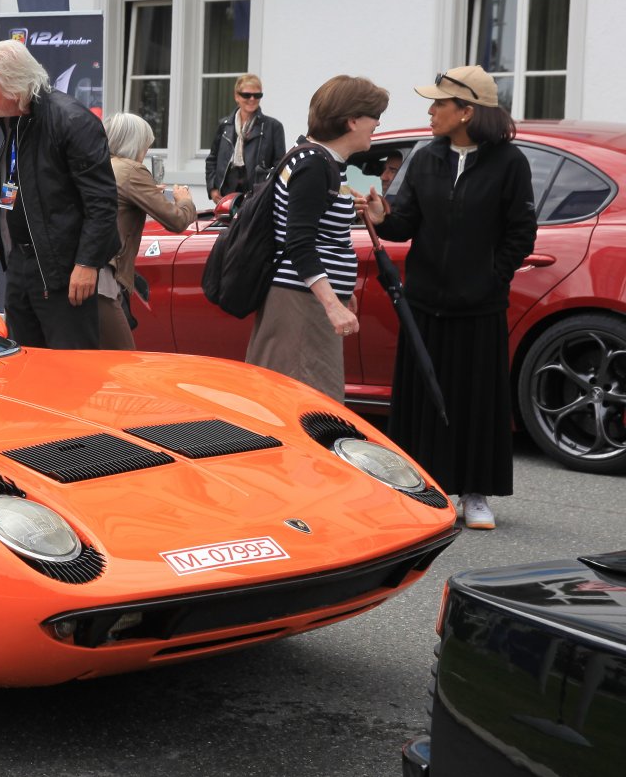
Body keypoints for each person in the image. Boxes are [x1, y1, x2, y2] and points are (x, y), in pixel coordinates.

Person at [369, 66, 537, 530]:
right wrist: (383, 216)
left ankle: (475, 494)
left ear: (466, 112)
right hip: (424, 304)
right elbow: (406, 224)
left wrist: (492, 279)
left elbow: (521, 232)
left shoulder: (509, 162)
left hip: (480, 306)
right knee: (422, 400)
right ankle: (423, 489)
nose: (430, 112)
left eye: (439, 104)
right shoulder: (426, 157)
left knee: (475, 402)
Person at [244, 75, 389, 401]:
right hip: (300, 304)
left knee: (305, 401)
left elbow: (320, 230)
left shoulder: (322, 161)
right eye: (375, 116)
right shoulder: (314, 164)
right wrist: (331, 303)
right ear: (352, 121)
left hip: (304, 299)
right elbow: (299, 241)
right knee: (305, 404)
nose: (378, 124)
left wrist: (339, 289)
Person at [0, 39, 118, 347]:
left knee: (70, 363)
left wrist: (87, 263)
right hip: (21, 263)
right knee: (25, 359)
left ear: (12, 86)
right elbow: (28, 170)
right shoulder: (17, 118)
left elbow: (102, 203)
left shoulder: (72, 120)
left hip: (63, 270)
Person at [100, 113, 195, 349]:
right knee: (122, 357)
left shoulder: (100, 166)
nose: (145, 153)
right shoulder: (132, 171)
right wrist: (184, 200)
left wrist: (149, 192)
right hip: (105, 278)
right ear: (134, 144)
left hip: (80, 271)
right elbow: (176, 221)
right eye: (145, 146)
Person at [204, 74, 286, 203]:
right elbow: (212, 159)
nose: (252, 99)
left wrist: (267, 193)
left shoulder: (273, 127)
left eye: (257, 95)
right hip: (226, 195)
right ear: (236, 96)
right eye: (246, 95)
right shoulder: (225, 125)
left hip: (257, 196)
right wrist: (213, 188)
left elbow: (280, 166)